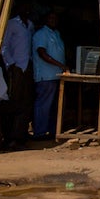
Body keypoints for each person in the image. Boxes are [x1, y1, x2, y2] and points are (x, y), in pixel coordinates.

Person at [0, 3, 34, 149]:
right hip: (17, 68)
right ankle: (10, 138)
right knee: (14, 102)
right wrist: (11, 64)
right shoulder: (12, 24)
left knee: (26, 102)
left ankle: (21, 136)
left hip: (27, 67)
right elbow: (4, 46)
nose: (26, 10)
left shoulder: (30, 25)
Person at [31, 11, 67, 141]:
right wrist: (60, 65)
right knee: (43, 105)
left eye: (55, 18)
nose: (53, 20)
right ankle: (39, 132)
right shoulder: (41, 34)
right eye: (50, 17)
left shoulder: (56, 33)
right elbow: (42, 53)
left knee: (53, 106)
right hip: (45, 76)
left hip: (56, 75)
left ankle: (52, 131)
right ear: (45, 19)